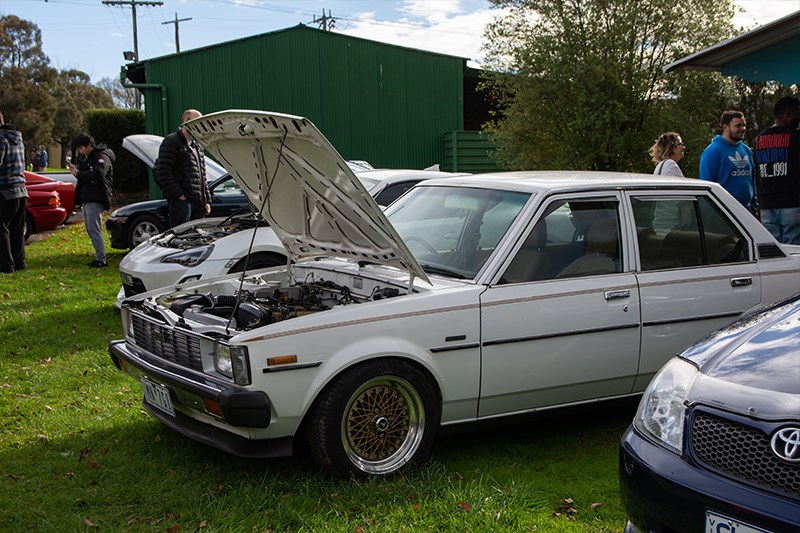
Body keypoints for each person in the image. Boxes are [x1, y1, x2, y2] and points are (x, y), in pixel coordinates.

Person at [754, 96, 800, 244]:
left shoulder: (759, 139)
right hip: (791, 202)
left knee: (774, 250)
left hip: (767, 203)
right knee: (794, 250)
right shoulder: (796, 137)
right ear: (789, 114)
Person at [155, 109, 210, 228]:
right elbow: (162, 172)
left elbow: (202, 174)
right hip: (182, 202)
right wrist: (179, 195)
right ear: (186, 121)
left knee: (198, 238)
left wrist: (206, 200)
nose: (200, 126)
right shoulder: (172, 141)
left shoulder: (197, 145)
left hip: (197, 202)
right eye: (197, 122)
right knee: (181, 237)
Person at [699, 110, 758, 214]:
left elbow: (752, 179)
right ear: (725, 127)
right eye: (738, 126)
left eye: (744, 125)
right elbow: (706, 184)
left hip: (747, 209)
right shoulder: (713, 151)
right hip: (724, 212)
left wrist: (755, 204)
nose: (742, 129)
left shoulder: (746, 150)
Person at [69, 134, 114, 267]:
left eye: (82, 148)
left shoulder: (101, 157)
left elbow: (98, 174)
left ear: (89, 145)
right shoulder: (89, 158)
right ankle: (99, 257)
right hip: (88, 197)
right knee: (90, 229)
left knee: (95, 229)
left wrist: (79, 173)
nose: (80, 151)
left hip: (96, 197)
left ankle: (102, 259)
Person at [0, 111, 29, 273]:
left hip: (5, 189)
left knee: (2, 228)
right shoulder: (18, 139)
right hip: (21, 189)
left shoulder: (1, 139)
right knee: (17, 229)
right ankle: (19, 262)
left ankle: (6, 264)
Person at [650, 132, 691, 233]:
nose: (683, 147)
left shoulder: (661, 165)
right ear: (672, 147)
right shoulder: (671, 165)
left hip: (662, 222)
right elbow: (685, 196)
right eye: (680, 144)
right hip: (670, 225)